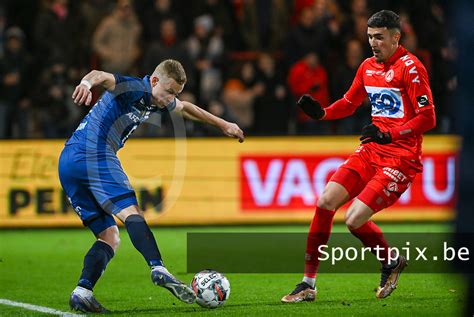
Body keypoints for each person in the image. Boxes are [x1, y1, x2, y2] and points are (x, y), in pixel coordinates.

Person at [58, 59, 244, 313]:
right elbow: (100, 74)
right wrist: (86, 83)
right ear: (154, 81)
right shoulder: (135, 87)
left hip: (68, 161)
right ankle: (158, 267)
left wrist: (224, 125)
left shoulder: (156, 98)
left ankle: (82, 291)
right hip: (94, 152)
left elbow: (187, 108)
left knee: (109, 236)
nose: (170, 99)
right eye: (169, 92)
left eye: (174, 94)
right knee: (131, 214)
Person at [281, 10, 436, 303]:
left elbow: (428, 118)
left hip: (400, 158)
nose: (373, 43)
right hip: (371, 150)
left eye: (379, 37)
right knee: (325, 201)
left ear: (395, 37)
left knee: (353, 220)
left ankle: (390, 260)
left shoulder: (411, 68)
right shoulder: (367, 66)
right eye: (369, 37)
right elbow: (350, 102)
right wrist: (323, 113)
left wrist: (390, 135)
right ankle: (307, 284)